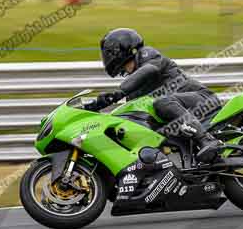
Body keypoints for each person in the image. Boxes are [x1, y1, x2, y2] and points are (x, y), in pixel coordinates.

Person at [85, 28, 223, 163]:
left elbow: (148, 70)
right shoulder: (133, 89)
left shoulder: (147, 55)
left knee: (162, 102)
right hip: (180, 119)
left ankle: (206, 140)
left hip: (203, 102)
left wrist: (117, 93)